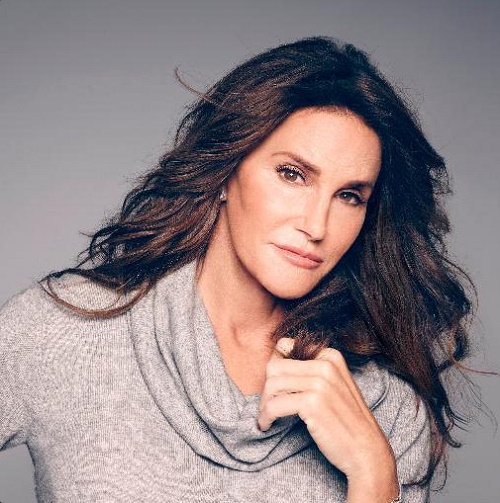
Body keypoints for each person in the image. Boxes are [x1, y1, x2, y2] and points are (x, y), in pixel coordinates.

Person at [0, 37, 474, 503]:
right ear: (226, 171)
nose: (317, 226)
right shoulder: (66, 329)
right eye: (293, 174)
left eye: (349, 196)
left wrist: (373, 475)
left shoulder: (383, 409)